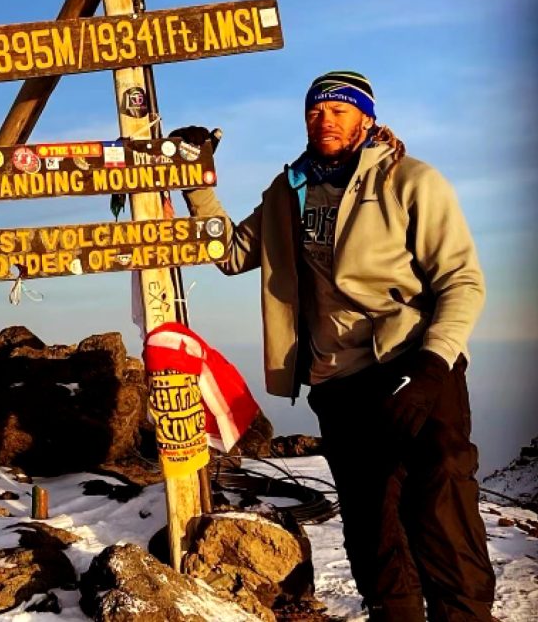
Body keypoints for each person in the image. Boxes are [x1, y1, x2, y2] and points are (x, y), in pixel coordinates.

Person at [175, 71, 496, 621]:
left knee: (442, 509)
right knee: (372, 525)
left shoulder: (409, 181)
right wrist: (196, 182)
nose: (324, 120)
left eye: (339, 111)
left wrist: (432, 365)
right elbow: (231, 253)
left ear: (365, 118)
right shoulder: (288, 192)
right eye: (315, 111)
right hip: (338, 382)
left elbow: (462, 280)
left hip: (412, 367)